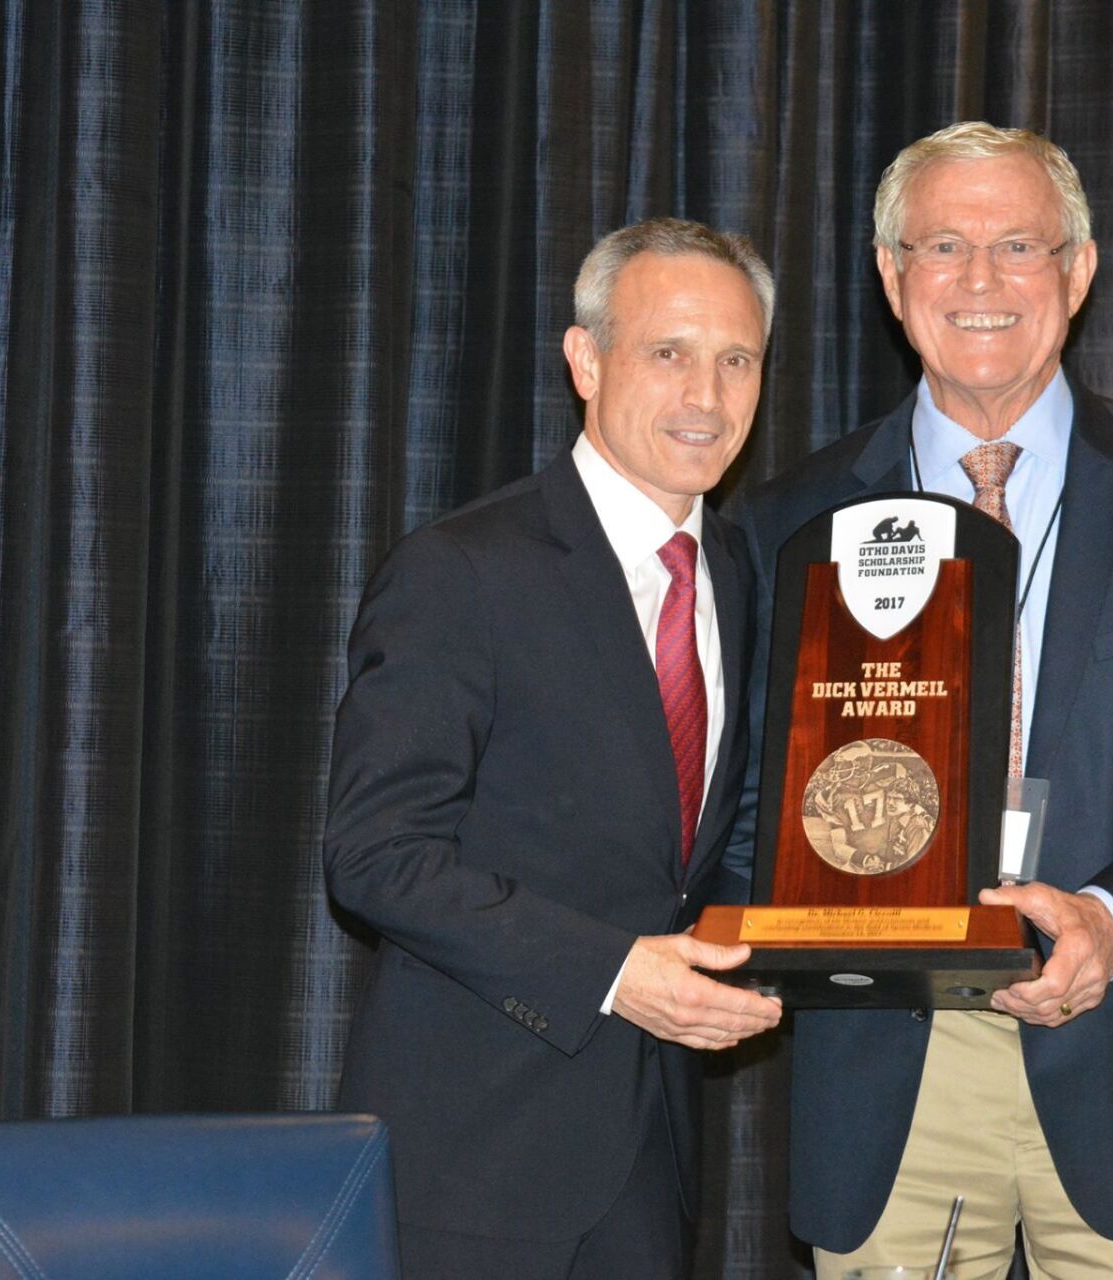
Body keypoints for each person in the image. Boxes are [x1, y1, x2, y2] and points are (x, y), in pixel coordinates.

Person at [733, 122, 1113, 1278]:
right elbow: (755, 795)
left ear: (1081, 270)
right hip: (886, 1072)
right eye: (943, 244)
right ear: (892, 277)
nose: (982, 281)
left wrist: (1112, 920)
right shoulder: (788, 518)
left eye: (1019, 245)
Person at [324, 217, 784, 1280]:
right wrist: (615, 972)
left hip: (652, 1163)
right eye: (668, 351)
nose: (705, 396)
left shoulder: (745, 574)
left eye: (736, 358)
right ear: (585, 360)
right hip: (472, 1170)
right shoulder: (462, 571)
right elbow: (376, 853)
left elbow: (718, 842)